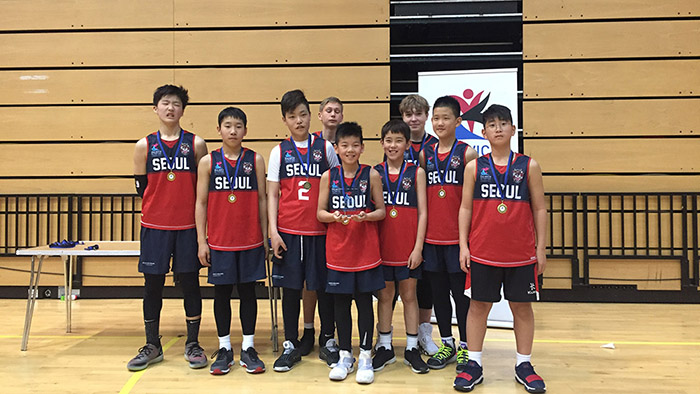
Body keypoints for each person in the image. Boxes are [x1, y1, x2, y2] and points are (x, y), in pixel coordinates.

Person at [454, 104, 547, 393]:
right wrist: (462, 245)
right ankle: (474, 363)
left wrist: (541, 248)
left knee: (522, 307)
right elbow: (465, 207)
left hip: (520, 253)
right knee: (478, 307)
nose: (497, 128)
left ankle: (524, 364)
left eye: (503, 123)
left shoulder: (528, 165)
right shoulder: (474, 167)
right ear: (483, 132)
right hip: (482, 251)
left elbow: (540, 208)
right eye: (491, 124)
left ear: (512, 129)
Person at [128, 84, 208, 371]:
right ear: (155, 108)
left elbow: (203, 188)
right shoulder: (143, 146)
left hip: (187, 227)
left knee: (190, 284)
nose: (170, 107)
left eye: (176, 103)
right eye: (165, 103)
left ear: (183, 110)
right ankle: (152, 344)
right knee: (152, 285)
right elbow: (142, 187)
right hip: (155, 226)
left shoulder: (196, 144)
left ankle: (193, 343)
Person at [267, 89, 340, 372]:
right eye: (292, 116)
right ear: (285, 120)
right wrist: (273, 231)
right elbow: (272, 194)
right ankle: (290, 343)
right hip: (289, 231)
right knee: (291, 288)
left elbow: (338, 182)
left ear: (311, 116)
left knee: (323, 287)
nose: (299, 121)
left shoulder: (326, 148)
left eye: (303, 115)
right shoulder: (279, 151)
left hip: (321, 232)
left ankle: (327, 339)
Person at [194, 107, 267, 375]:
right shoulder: (208, 162)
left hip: (250, 240)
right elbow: (200, 202)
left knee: (248, 292)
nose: (233, 130)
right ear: (219, 130)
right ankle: (224, 348)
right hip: (220, 241)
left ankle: (248, 347)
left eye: (238, 126)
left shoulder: (255, 159)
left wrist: (265, 236)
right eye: (227, 125)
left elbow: (262, 200)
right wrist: (202, 241)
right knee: (222, 293)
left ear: (245, 130)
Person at [317, 121, 386, 384]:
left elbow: (381, 211)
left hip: (365, 251)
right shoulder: (328, 176)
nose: (350, 149)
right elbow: (320, 213)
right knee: (341, 304)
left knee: (364, 303)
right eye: (344, 145)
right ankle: (346, 354)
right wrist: (334, 217)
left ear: (362, 147)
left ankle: (366, 355)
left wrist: (366, 216)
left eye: (355, 145)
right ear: (336, 148)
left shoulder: (371, 175)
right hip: (338, 252)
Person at [419, 96, 478, 372]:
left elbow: (472, 204)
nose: (440, 123)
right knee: (439, 294)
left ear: (458, 122)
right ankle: (446, 343)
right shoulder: (425, 154)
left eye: (445, 118)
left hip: (457, 240)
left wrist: (467, 241)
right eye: (436, 118)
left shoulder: (467, 154)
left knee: (460, 295)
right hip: (432, 240)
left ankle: (466, 346)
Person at [372, 120, 430, 374]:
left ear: (408, 144)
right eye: (388, 140)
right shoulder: (374, 172)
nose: (393, 145)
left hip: (408, 248)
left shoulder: (416, 172)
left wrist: (418, 248)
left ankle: (411, 348)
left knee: (409, 296)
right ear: (382, 143)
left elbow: (424, 213)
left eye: (399, 140)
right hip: (382, 248)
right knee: (385, 297)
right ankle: (384, 347)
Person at [300, 96, 344, 355]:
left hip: (334, 224)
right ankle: (308, 330)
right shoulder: (311, 142)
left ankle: (330, 333)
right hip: (308, 225)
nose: (333, 114)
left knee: (332, 282)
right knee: (309, 282)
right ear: (319, 115)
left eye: (337, 111)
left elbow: (342, 182)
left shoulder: (344, 145)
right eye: (328, 110)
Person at [399, 94, 440, 356]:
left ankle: (424, 333)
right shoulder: (396, 144)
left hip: (431, 224)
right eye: (408, 114)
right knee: (396, 286)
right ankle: (387, 337)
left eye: (418, 113)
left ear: (426, 116)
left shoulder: (436, 146)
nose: (413, 118)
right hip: (401, 226)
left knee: (426, 284)